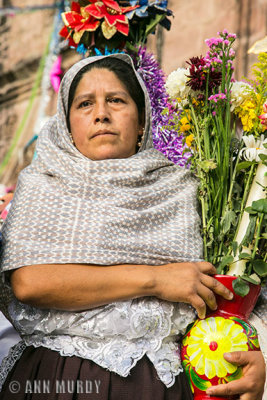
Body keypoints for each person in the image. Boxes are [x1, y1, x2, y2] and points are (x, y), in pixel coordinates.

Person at [0, 54, 265, 400]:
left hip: (165, 385)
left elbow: (235, 286)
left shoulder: (187, 189)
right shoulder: (43, 184)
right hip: (59, 381)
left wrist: (253, 359)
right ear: (68, 126)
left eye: (116, 100)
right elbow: (30, 282)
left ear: (142, 122)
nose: (101, 113)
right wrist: (157, 279)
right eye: (84, 104)